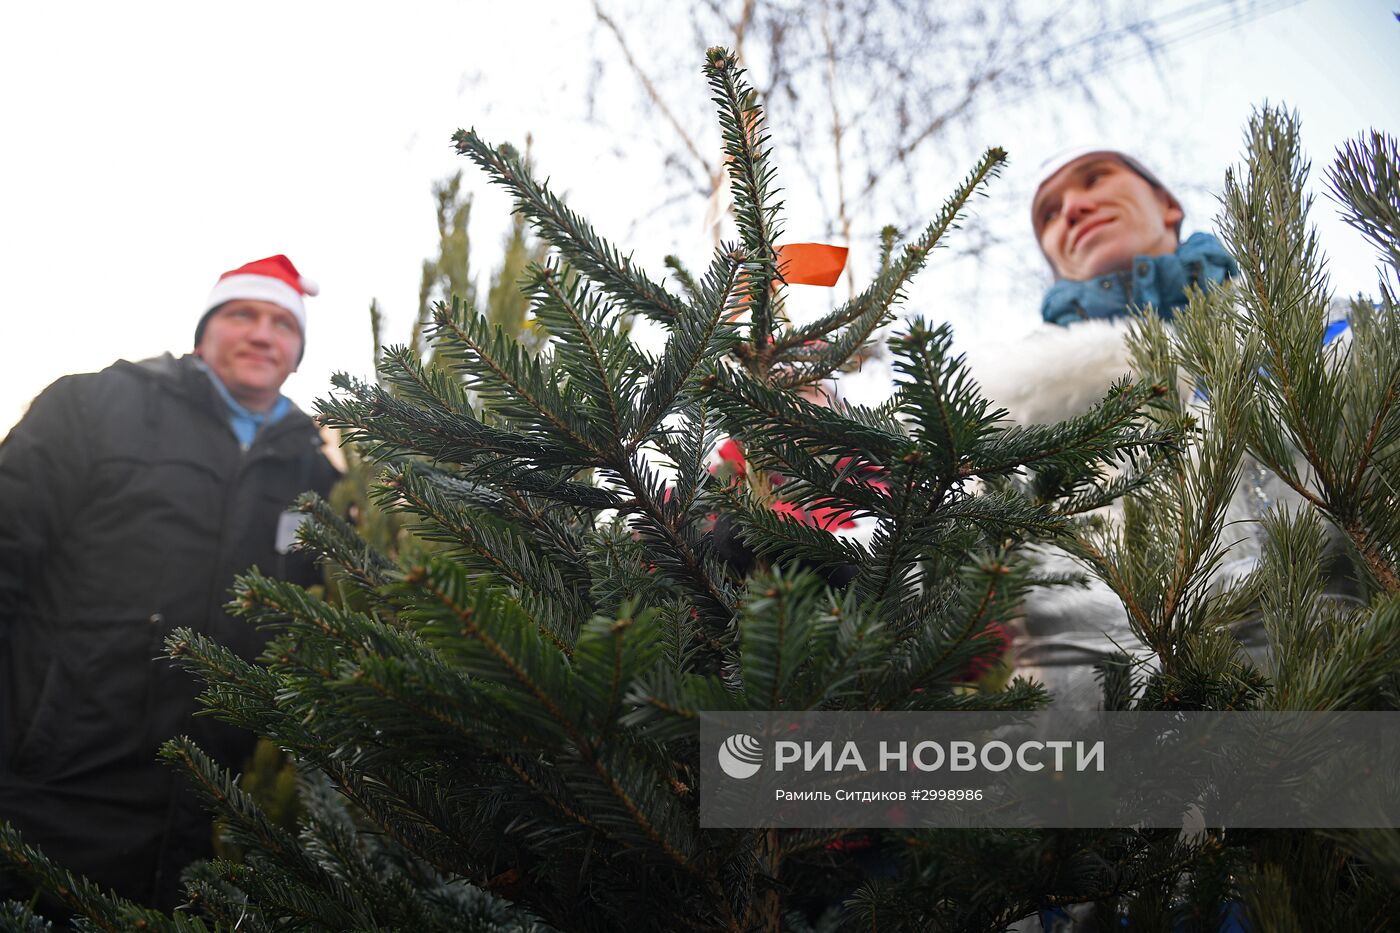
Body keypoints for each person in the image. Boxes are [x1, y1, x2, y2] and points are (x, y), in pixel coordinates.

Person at [0, 255, 340, 911]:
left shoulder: (318, 479)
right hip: (50, 783)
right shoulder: (94, 406)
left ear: (298, 351)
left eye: (283, 323)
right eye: (243, 314)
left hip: (206, 816)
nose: (263, 334)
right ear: (203, 331)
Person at [969, 150, 1291, 709]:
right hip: (1094, 765)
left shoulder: (1309, 335)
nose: (1072, 208)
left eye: (1095, 178)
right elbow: (939, 580)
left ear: (1167, 205)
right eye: (1048, 213)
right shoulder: (1007, 417)